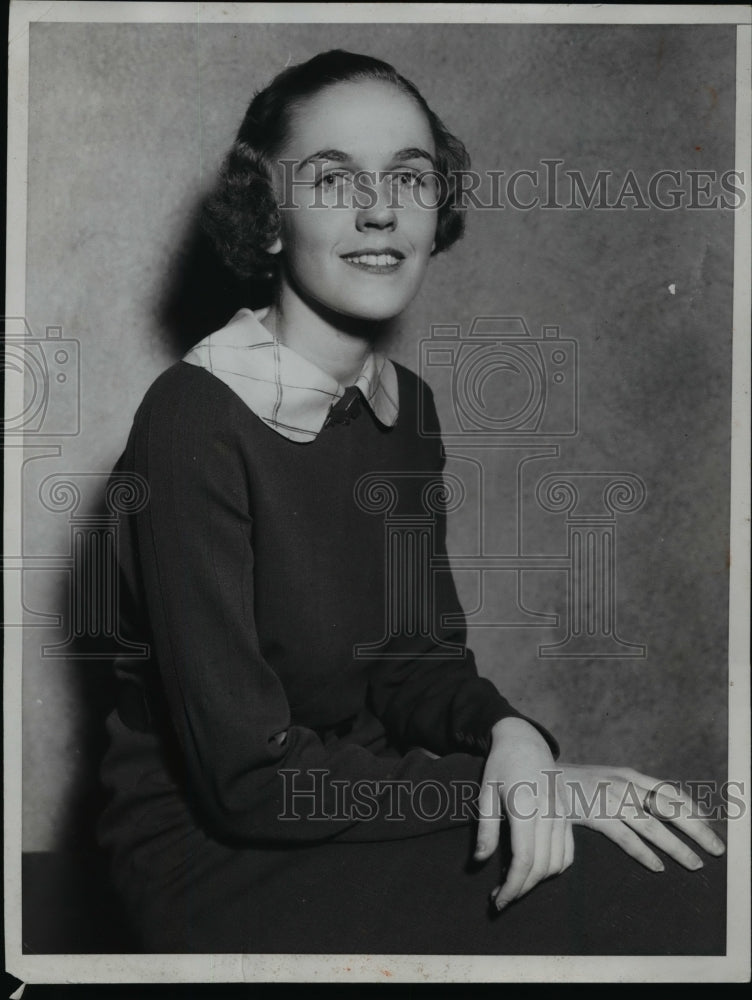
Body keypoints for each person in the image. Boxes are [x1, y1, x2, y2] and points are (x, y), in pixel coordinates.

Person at [97, 49, 726, 955]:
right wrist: (498, 789)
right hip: (212, 857)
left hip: (354, 799)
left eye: (410, 176)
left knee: (687, 873)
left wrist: (514, 741)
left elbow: (411, 664)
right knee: (650, 901)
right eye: (331, 178)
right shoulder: (194, 418)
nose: (379, 209)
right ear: (267, 217)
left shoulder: (406, 409)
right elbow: (245, 780)